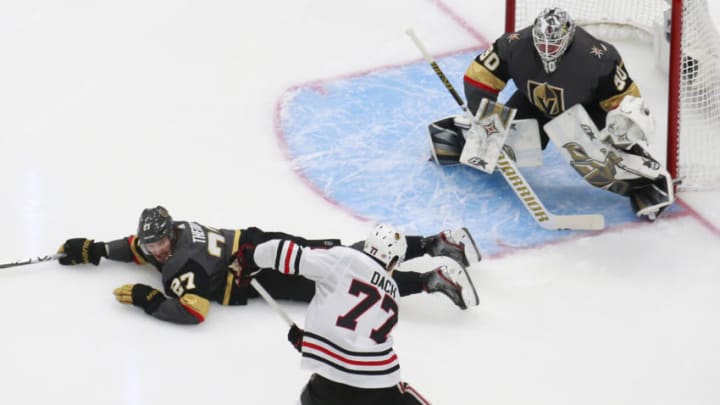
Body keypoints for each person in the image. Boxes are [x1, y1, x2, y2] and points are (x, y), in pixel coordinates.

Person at [428, 7, 674, 220]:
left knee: (594, 164)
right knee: (505, 145)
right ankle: (459, 139)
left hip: (586, 109)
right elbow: (480, 77)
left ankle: (649, 182)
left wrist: (620, 134)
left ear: (568, 37)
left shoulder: (598, 57)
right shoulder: (513, 44)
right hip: (533, 102)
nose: (547, 49)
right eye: (542, 42)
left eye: (553, 43)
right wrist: (483, 120)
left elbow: (625, 101)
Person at [57, 206, 480, 325]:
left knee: (349, 276)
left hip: (261, 272)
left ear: (171, 234)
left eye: (161, 241)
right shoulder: (175, 233)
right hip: (258, 244)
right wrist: (95, 250)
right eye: (153, 244)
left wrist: (149, 300)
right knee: (343, 255)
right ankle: (436, 243)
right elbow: (134, 247)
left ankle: (431, 279)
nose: (156, 250)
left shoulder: (180, 265)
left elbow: (193, 311)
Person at [248, 223, 432, 404]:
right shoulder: (393, 291)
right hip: (377, 386)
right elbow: (360, 338)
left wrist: (250, 257)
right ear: (393, 261)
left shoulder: (345, 258)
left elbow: (286, 253)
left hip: (326, 388)